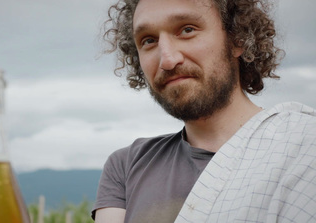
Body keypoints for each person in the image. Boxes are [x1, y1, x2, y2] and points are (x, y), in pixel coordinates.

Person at [92, 0, 316, 222]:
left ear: (237, 38)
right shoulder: (128, 165)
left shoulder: (304, 147)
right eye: (148, 40)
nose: (167, 60)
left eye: (187, 30)